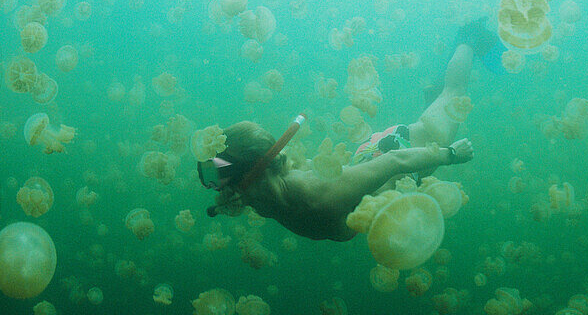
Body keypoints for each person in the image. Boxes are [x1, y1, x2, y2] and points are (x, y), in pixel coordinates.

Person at [199, 20, 497, 242]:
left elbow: (395, 162)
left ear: (252, 170)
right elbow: (252, 191)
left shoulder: (319, 195)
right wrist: (238, 202)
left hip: (394, 152)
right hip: (365, 166)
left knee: (454, 93)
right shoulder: (258, 194)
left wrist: (449, 155)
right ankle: (435, 96)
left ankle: (467, 39)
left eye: (219, 173)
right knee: (440, 110)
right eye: (213, 174)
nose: (215, 186)